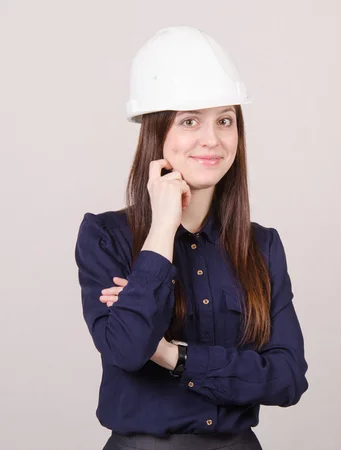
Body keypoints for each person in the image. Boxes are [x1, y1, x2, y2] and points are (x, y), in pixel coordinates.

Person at [74, 26, 309, 450]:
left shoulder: (262, 246)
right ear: (156, 132)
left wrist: (169, 354)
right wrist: (163, 228)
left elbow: (288, 378)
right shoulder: (106, 237)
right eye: (189, 121)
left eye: (224, 120)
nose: (212, 139)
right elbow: (126, 350)